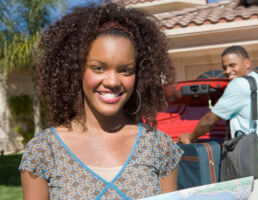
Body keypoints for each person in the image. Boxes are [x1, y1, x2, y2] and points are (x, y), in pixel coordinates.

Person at [19, 2, 183, 200]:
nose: (112, 81)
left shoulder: (158, 146)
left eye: (125, 70)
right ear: (76, 71)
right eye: (98, 68)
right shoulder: (43, 151)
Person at [179, 45, 258, 200]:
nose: (227, 71)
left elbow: (210, 119)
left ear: (247, 63)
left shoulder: (239, 85)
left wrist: (191, 137)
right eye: (224, 67)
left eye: (232, 65)